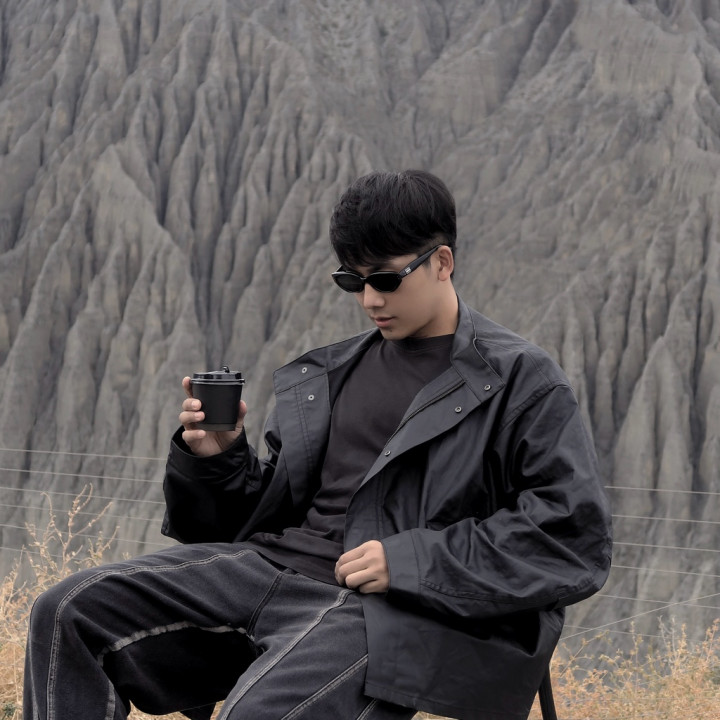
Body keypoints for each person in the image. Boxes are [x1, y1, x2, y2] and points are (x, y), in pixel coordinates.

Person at [24, 170, 612, 720]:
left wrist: (411, 560)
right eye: (352, 281)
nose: (370, 299)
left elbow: (570, 538)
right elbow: (260, 513)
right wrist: (217, 458)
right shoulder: (329, 373)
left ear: (442, 262)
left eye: (385, 279)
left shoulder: (519, 380)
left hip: (386, 608)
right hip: (269, 567)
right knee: (69, 612)